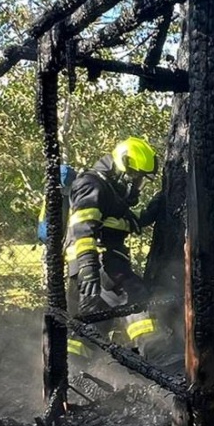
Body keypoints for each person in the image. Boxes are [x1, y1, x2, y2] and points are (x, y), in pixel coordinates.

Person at [66, 136, 162, 350]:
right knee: (135, 296)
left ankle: (72, 365)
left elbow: (117, 223)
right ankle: (155, 353)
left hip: (97, 265)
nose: (138, 186)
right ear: (123, 169)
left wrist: (149, 213)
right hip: (99, 262)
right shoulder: (91, 185)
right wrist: (88, 266)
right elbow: (83, 227)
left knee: (93, 325)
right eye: (137, 178)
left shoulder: (108, 190)